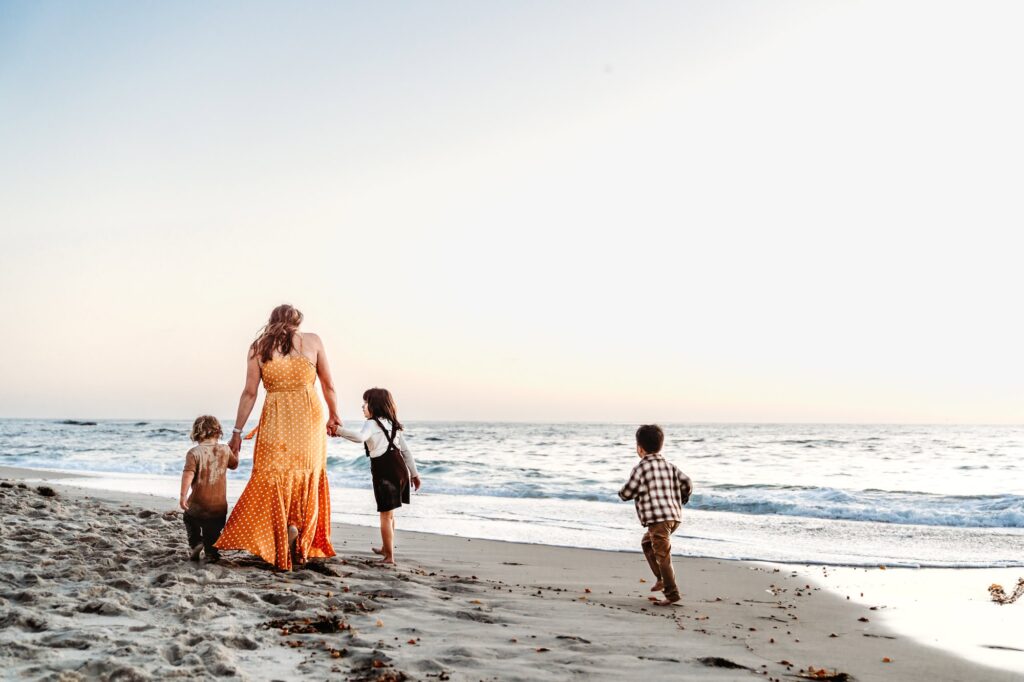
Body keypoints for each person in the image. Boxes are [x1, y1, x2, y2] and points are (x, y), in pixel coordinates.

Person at [214, 304, 340, 570]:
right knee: (307, 472)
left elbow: (249, 393)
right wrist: (334, 415)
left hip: (276, 416)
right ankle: (296, 532)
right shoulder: (313, 340)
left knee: (272, 474)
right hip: (309, 415)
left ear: (271, 321)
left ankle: (281, 534)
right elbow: (328, 384)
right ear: (298, 322)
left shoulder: (258, 347)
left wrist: (237, 432)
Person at [332, 388, 421, 565]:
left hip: (385, 472)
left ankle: (389, 557)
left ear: (376, 406)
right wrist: (415, 474)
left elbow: (359, 437)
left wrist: (339, 430)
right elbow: (406, 451)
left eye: (365, 403)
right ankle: (386, 547)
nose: (362, 406)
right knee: (390, 515)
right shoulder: (393, 423)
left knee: (385, 516)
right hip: (400, 469)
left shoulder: (371, 424)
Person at [618, 424, 692, 606]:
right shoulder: (670, 466)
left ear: (639, 448)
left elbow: (629, 492)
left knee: (663, 556)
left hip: (658, 520)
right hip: (674, 517)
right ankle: (661, 579)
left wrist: (622, 494)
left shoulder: (641, 468)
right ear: (661, 445)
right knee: (647, 543)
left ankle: (672, 594)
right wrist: (682, 497)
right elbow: (687, 482)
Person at [179, 415, 239, 562]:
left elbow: (188, 474)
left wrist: (183, 495)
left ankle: (196, 544)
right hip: (218, 506)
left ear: (196, 433)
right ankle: (211, 553)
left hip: (198, 504)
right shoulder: (225, 450)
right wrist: (235, 450)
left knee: (189, 520)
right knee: (213, 532)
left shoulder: (194, 452)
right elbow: (234, 464)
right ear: (218, 432)